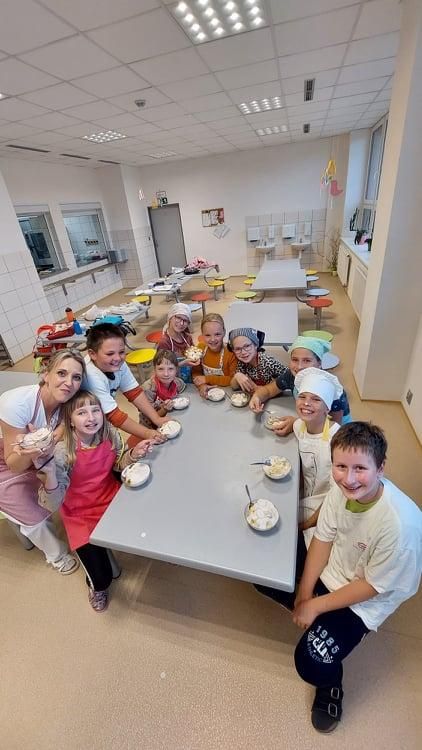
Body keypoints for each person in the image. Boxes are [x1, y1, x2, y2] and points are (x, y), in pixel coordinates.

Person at [255, 422, 422, 733]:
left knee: (310, 662)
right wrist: (305, 595)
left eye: (361, 468)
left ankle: (331, 684)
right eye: (341, 466)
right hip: (336, 567)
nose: (349, 478)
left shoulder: (401, 527)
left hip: (365, 598)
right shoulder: (341, 490)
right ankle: (314, 612)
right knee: (263, 572)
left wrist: (315, 607)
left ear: (381, 468)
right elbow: (323, 540)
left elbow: (372, 586)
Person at [37, 390, 155, 612]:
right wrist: (50, 475)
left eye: (95, 410)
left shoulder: (109, 433)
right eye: (82, 412)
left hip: (111, 499)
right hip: (79, 514)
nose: (91, 418)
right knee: (101, 577)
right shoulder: (62, 452)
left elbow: (118, 464)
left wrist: (133, 454)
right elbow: (52, 504)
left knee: (147, 528)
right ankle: (97, 588)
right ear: (69, 421)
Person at [0, 350, 86, 574]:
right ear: (46, 374)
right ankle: (57, 555)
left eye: (76, 377)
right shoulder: (17, 404)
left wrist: (51, 439)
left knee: (72, 474)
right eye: (61, 373)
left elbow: (63, 425)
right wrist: (34, 449)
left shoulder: (67, 400)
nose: (69, 382)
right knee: (31, 511)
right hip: (8, 461)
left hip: (38, 451)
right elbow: (13, 464)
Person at [84, 323, 168, 443]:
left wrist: (156, 418)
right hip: (84, 425)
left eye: (122, 352)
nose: (118, 358)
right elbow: (114, 415)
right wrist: (147, 433)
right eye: (110, 354)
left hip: (100, 416)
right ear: (92, 354)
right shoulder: (91, 376)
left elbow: (133, 392)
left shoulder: (117, 362)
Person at [249, 335, 351, 435]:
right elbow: (269, 390)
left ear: (319, 363)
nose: (299, 366)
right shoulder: (292, 376)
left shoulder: (331, 390)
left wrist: (296, 423)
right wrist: (257, 397)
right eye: (295, 359)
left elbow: (331, 427)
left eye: (307, 360)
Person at [293, 368, 343, 534]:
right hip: (306, 494)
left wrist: (306, 525)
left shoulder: (338, 441)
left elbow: (336, 497)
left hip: (328, 503)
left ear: (327, 408)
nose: (306, 403)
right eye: (302, 397)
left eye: (316, 399)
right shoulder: (298, 426)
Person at [228, 328, 289, 393]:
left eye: (247, 346)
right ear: (233, 350)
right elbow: (234, 387)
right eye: (237, 349)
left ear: (255, 345)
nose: (243, 352)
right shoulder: (242, 363)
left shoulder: (267, 361)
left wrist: (262, 388)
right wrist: (237, 376)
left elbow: (290, 377)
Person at [191, 313, 237, 398]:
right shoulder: (200, 349)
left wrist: (207, 379)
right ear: (202, 335)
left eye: (217, 334)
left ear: (224, 332)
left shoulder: (231, 353)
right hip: (207, 393)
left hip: (228, 394)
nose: (212, 339)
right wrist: (202, 386)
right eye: (208, 335)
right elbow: (196, 372)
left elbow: (232, 379)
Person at [140, 350, 186, 428]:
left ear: (176, 370)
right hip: (150, 426)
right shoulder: (148, 389)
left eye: (170, 369)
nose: (166, 374)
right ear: (154, 370)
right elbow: (151, 418)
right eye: (161, 369)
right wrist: (164, 409)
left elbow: (184, 394)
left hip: (171, 419)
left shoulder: (178, 383)